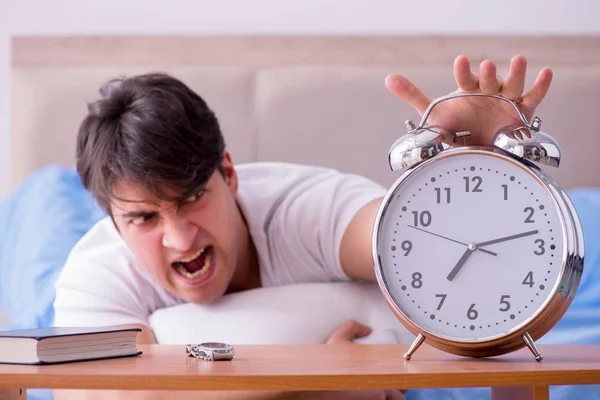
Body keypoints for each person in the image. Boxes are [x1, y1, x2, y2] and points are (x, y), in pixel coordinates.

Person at [52, 55, 552, 400]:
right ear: (112, 220)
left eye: (193, 198)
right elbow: (112, 395)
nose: (181, 238)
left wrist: (481, 171)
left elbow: (427, 250)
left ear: (228, 173)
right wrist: (320, 385)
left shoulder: (308, 209)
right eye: (143, 218)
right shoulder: (94, 277)